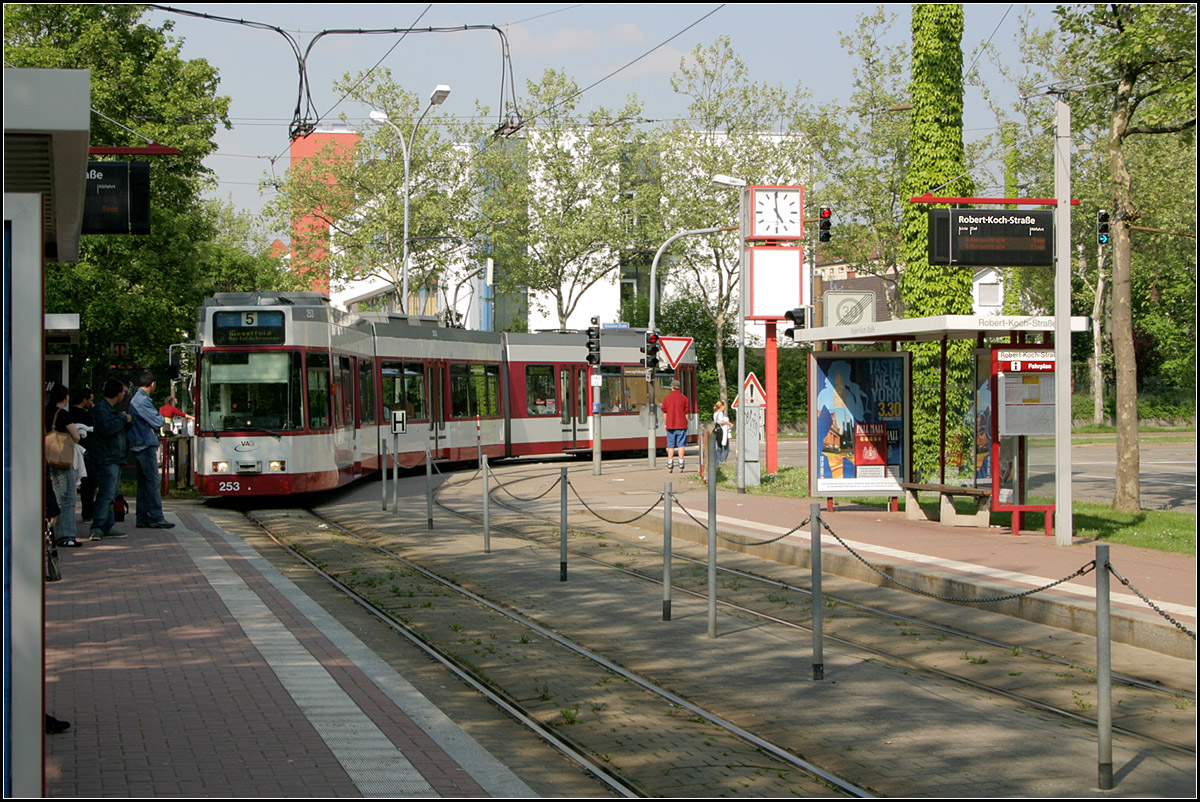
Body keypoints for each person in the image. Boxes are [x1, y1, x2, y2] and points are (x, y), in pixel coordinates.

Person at [128, 373, 175, 529]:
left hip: (139, 443)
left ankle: (142, 517)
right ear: (153, 384)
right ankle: (156, 516)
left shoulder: (137, 398)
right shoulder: (142, 401)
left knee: (143, 483)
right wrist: (161, 417)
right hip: (144, 444)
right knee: (153, 481)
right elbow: (158, 421)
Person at [89, 379, 131, 541]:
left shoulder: (108, 410)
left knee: (111, 494)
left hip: (114, 457)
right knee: (106, 493)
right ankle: (98, 527)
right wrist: (123, 419)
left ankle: (107, 525)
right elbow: (107, 429)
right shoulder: (102, 410)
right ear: (119, 393)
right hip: (107, 457)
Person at [45, 384, 81, 547]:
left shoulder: (44, 411)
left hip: (46, 457)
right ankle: (66, 535)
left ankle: (52, 531)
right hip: (61, 459)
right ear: (65, 397)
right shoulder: (63, 414)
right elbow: (76, 435)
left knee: (54, 494)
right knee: (67, 496)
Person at [68, 387, 96, 520]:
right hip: (85, 451)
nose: (92, 403)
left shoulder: (68, 413)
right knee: (89, 483)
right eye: (90, 400)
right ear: (84, 400)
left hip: (69, 451)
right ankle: (88, 512)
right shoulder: (87, 416)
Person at [661, 378, 690, 473]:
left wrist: (666, 423)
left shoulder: (667, 398)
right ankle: (681, 462)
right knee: (681, 444)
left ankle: (670, 462)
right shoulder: (684, 398)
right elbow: (686, 414)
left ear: (672, 387)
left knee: (670, 445)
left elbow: (665, 413)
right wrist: (686, 423)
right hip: (681, 425)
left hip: (670, 425)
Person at [712, 400, 732, 465]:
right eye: (724, 406)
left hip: (717, 431)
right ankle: (722, 461)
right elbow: (721, 422)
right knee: (726, 448)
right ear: (721, 406)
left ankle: (718, 460)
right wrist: (729, 423)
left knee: (719, 447)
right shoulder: (720, 413)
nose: (725, 408)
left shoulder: (715, 413)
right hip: (722, 432)